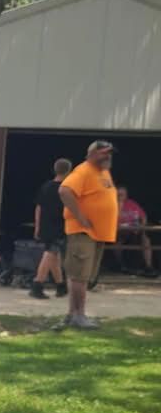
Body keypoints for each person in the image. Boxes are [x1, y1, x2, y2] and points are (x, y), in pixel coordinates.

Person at [60, 140, 118, 328]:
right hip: (83, 232)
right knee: (80, 276)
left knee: (83, 276)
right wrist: (81, 217)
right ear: (91, 153)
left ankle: (73, 314)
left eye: (110, 153)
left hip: (97, 233)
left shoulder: (104, 172)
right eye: (104, 153)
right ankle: (79, 315)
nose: (108, 156)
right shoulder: (83, 171)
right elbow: (64, 190)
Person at [29, 157, 71, 299]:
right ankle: (37, 284)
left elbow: (38, 207)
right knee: (50, 254)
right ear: (69, 171)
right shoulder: (66, 189)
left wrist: (37, 226)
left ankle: (60, 286)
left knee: (54, 256)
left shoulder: (46, 186)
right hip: (58, 226)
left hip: (46, 225)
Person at [115, 185, 155, 275]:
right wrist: (120, 205)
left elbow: (143, 216)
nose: (121, 196)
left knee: (146, 240)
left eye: (123, 194)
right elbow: (114, 220)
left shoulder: (132, 203)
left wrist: (142, 226)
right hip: (120, 231)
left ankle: (149, 266)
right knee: (118, 242)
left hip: (136, 230)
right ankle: (121, 265)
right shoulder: (112, 204)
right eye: (119, 194)